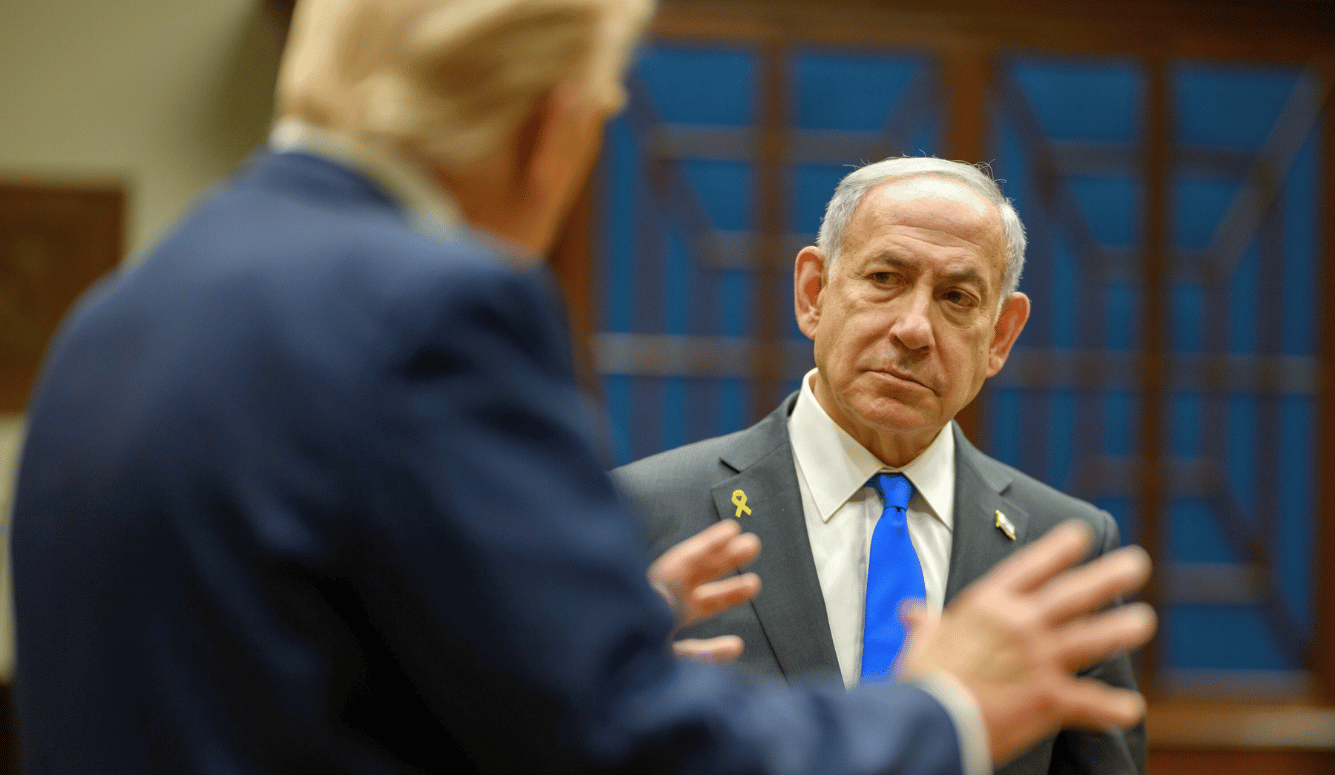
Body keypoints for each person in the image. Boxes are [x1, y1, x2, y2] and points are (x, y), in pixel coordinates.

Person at [10, 2, 1154, 774]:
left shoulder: (124, 309)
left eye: (955, 298)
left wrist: (564, 641)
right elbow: (629, 746)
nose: (911, 325)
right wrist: (943, 709)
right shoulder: (439, 314)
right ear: (550, 128)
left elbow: (292, 687)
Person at [613, 157, 1146, 774]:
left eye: (956, 297)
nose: (914, 329)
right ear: (813, 293)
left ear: (1000, 336)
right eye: (886, 278)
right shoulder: (642, 514)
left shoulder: (1061, 550)